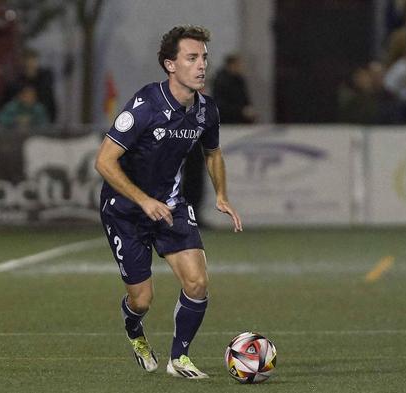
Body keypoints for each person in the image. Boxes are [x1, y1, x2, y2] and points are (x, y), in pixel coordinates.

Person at [94, 25, 242, 379]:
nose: (202, 65)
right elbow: (104, 161)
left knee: (197, 282)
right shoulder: (146, 106)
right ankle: (133, 326)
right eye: (192, 58)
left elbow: (213, 153)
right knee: (142, 299)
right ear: (170, 65)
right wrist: (143, 200)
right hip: (125, 212)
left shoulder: (206, 110)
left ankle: (180, 359)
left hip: (171, 206)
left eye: (204, 57)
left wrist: (221, 194)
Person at [212, 54, 256, 124]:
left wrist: (248, 108)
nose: (241, 67)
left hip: (240, 117)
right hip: (227, 119)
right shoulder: (221, 81)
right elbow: (221, 103)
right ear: (231, 65)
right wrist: (240, 110)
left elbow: (244, 96)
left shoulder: (239, 79)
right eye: (238, 64)